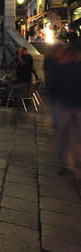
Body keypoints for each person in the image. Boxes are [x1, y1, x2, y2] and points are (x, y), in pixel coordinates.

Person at [47, 41, 81, 177]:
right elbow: (53, 86)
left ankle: (73, 161)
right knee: (64, 135)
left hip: (73, 105)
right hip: (64, 104)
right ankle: (69, 163)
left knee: (73, 135)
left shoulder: (72, 67)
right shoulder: (56, 66)